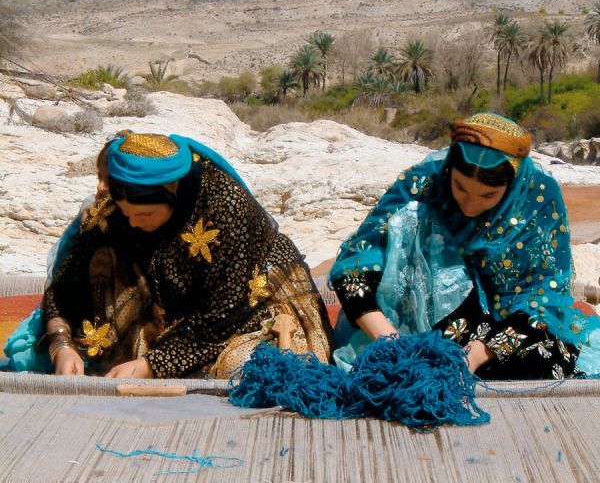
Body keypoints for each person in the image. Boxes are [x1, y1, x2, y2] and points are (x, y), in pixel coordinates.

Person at [329, 113, 599, 380]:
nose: (469, 204)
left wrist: (476, 355)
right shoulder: (424, 184)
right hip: (421, 320)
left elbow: (544, 298)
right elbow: (356, 263)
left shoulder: (539, 198)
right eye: (460, 187)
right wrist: (388, 340)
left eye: (487, 195)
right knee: (411, 219)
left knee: (541, 358)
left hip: (513, 322)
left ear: (512, 184)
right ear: (449, 170)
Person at [43, 131, 332, 378]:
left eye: (144, 214)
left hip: (249, 303)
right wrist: (61, 346)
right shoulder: (115, 215)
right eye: (126, 213)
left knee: (249, 370)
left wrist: (151, 365)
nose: (132, 223)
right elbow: (64, 288)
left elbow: (223, 314)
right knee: (103, 254)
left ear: (172, 194)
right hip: (169, 305)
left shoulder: (225, 206)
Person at [3, 141, 112, 373]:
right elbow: (61, 293)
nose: (101, 188)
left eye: (111, 181)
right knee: (29, 357)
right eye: (99, 178)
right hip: (80, 322)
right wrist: (61, 344)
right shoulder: (90, 220)